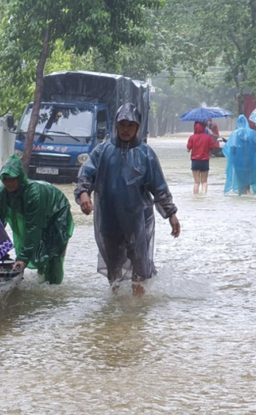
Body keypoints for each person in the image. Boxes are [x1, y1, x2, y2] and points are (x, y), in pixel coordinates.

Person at [75, 103, 180, 296]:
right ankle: (118, 312)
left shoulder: (146, 154)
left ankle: (137, 311)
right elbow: (85, 176)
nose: (125, 129)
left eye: (130, 125)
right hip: (109, 219)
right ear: (116, 125)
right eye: (122, 124)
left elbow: (160, 188)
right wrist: (84, 196)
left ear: (138, 127)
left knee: (139, 265)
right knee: (114, 266)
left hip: (137, 221)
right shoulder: (102, 151)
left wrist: (171, 214)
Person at [0, 155, 74, 285]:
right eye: (6, 179)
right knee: (38, 250)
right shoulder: (1, 194)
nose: (9, 183)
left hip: (57, 212)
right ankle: (41, 275)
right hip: (40, 213)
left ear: (20, 178)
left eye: (13, 179)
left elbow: (33, 227)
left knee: (53, 252)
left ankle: (53, 286)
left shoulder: (33, 194)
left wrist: (23, 258)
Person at [223, 115, 256, 195]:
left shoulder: (235, 134)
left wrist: (233, 159)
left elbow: (232, 148)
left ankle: (242, 199)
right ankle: (247, 196)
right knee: (248, 181)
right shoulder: (252, 133)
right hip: (250, 161)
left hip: (238, 162)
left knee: (240, 183)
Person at [186, 121, 215, 194]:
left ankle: (196, 198)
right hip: (205, 161)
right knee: (204, 181)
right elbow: (212, 148)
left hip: (195, 161)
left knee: (196, 182)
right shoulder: (208, 137)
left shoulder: (192, 137)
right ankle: (204, 197)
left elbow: (188, 150)